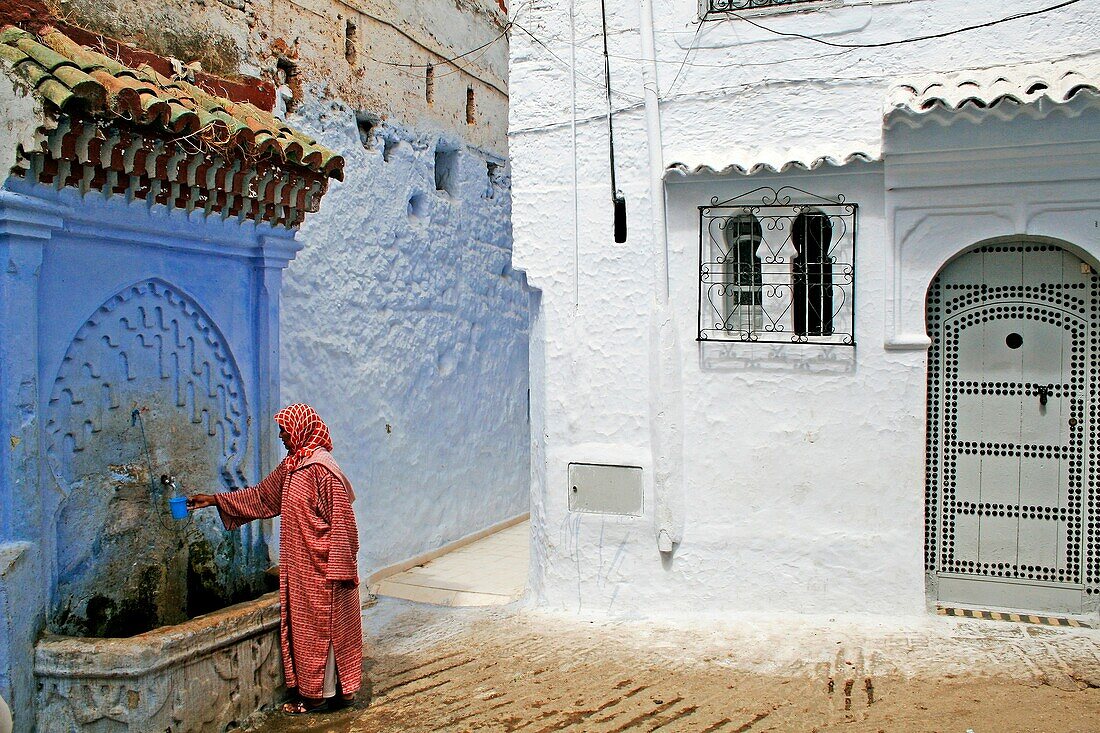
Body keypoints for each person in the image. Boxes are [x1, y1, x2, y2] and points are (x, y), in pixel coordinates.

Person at [188, 403, 362, 714]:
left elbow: (344, 522)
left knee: (329, 629)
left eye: (284, 428)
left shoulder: (323, 470)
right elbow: (262, 497)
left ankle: (319, 699)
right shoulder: (293, 466)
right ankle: (326, 694)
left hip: (325, 571)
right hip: (303, 568)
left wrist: (339, 570)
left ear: (300, 429)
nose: (281, 435)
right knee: (314, 631)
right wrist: (214, 500)